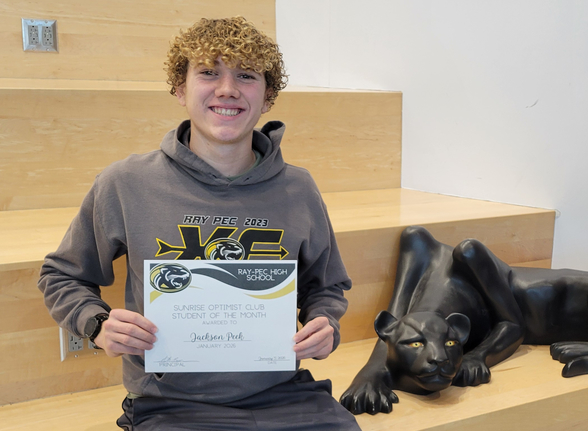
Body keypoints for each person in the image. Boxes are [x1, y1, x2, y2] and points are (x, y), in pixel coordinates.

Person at [38, 17, 360, 430]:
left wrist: (325, 323)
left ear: (267, 98)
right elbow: (61, 275)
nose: (228, 89)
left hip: (284, 392)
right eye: (209, 72)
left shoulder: (298, 188)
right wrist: (97, 324)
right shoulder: (126, 183)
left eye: (246, 75)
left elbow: (327, 285)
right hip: (169, 402)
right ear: (179, 88)